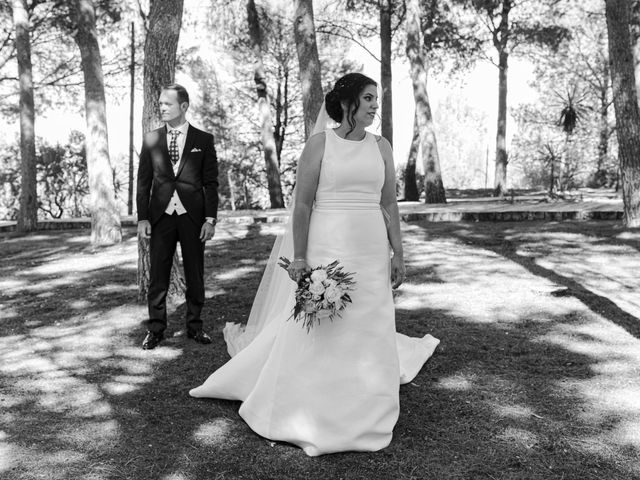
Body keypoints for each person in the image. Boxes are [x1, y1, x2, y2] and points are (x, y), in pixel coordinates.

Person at [190, 73, 439, 456]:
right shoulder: (319, 145)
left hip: (370, 248)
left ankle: (370, 405)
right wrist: (303, 258)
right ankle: (310, 402)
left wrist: (398, 254)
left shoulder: (382, 146)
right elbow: (302, 205)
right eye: (369, 98)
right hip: (328, 245)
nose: (376, 105)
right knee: (322, 322)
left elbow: (389, 204)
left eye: (377, 99)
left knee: (370, 320)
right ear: (347, 104)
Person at [136, 84, 219, 350]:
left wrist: (210, 219)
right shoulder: (151, 139)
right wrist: (142, 218)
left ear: (184, 107)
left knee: (195, 274)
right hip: (161, 217)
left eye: (167, 104)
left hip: (193, 218)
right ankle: (156, 329)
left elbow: (211, 183)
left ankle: (195, 327)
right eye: (160, 103)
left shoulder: (203, 140)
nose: (161, 108)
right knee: (158, 277)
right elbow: (143, 182)